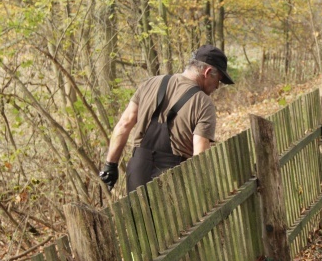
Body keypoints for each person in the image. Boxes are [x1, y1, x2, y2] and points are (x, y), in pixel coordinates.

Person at [99, 45, 234, 192]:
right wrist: (202, 189)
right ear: (207, 72)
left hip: (138, 170)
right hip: (173, 177)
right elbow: (200, 151)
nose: (217, 86)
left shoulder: (149, 84)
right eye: (219, 80)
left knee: (139, 214)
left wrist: (110, 165)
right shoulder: (203, 103)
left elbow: (124, 124)